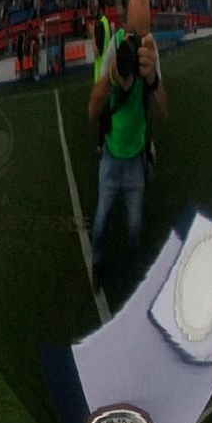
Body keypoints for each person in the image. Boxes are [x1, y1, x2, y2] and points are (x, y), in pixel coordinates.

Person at [87, 24, 166, 286]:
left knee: (134, 224)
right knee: (100, 221)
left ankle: (133, 262)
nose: (125, 81)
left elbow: (164, 111)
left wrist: (153, 77)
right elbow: (92, 110)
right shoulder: (112, 75)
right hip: (111, 159)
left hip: (133, 161)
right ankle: (97, 264)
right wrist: (110, 76)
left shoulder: (144, 74)